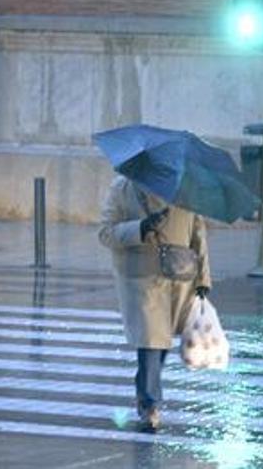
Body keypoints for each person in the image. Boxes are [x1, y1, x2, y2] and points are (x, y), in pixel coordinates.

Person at [98, 175, 211, 430]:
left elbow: (197, 235)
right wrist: (139, 228)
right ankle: (150, 403)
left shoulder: (185, 189)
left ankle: (144, 390)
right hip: (141, 278)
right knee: (151, 340)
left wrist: (204, 277)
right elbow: (105, 232)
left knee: (160, 343)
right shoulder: (122, 188)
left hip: (178, 277)